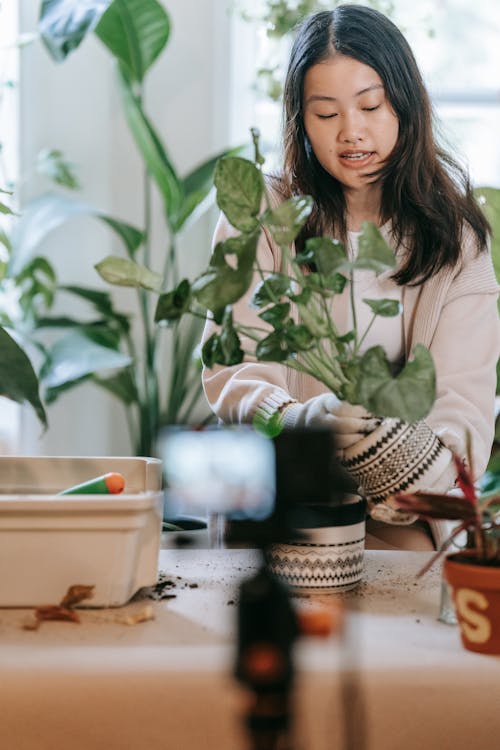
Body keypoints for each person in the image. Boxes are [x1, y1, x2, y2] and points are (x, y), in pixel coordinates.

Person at [202, 4, 500, 550]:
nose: (352, 132)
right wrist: (299, 423)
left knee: (405, 581)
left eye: (371, 105)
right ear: (300, 120)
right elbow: (233, 372)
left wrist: (388, 458)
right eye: (325, 113)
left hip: (406, 510)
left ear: (406, 106)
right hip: (290, 493)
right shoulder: (265, 212)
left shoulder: (456, 238)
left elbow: (464, 411)